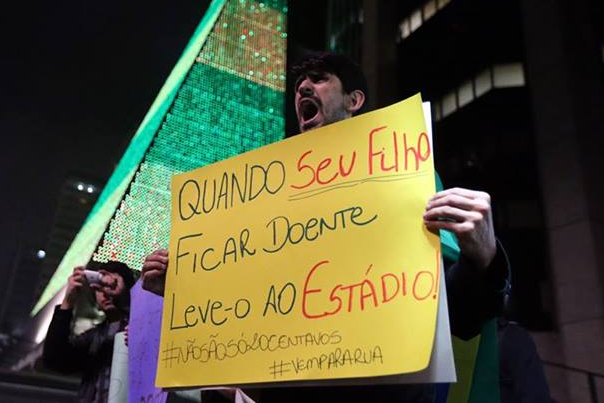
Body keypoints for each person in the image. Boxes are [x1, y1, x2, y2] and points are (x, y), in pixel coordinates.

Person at [142, 52, 511, 402]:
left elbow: (457, 316)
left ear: (354, 100)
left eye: (318, 80)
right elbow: (246, 313)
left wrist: (483, 258)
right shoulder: (262, 205)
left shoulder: (404, 171)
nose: (303, 88)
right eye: (300, 83)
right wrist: (183, 292)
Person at [43, 261, 136, 403]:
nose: (105, 293)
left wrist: (122, 298)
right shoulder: (94, 337)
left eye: (111, 285)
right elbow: (54, 360)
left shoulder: (141, 326)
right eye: (98, 288)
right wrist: (68, 302)